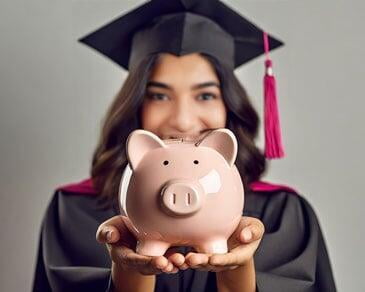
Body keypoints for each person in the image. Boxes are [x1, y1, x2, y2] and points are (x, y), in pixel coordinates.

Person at [32, 0, 337, 291]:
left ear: (229, 106)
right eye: (159, 96)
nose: (183, 121)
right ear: (136, 106)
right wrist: (129, 271)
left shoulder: (283, 214)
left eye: (205, 95)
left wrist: (237, 272)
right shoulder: (73, 211)